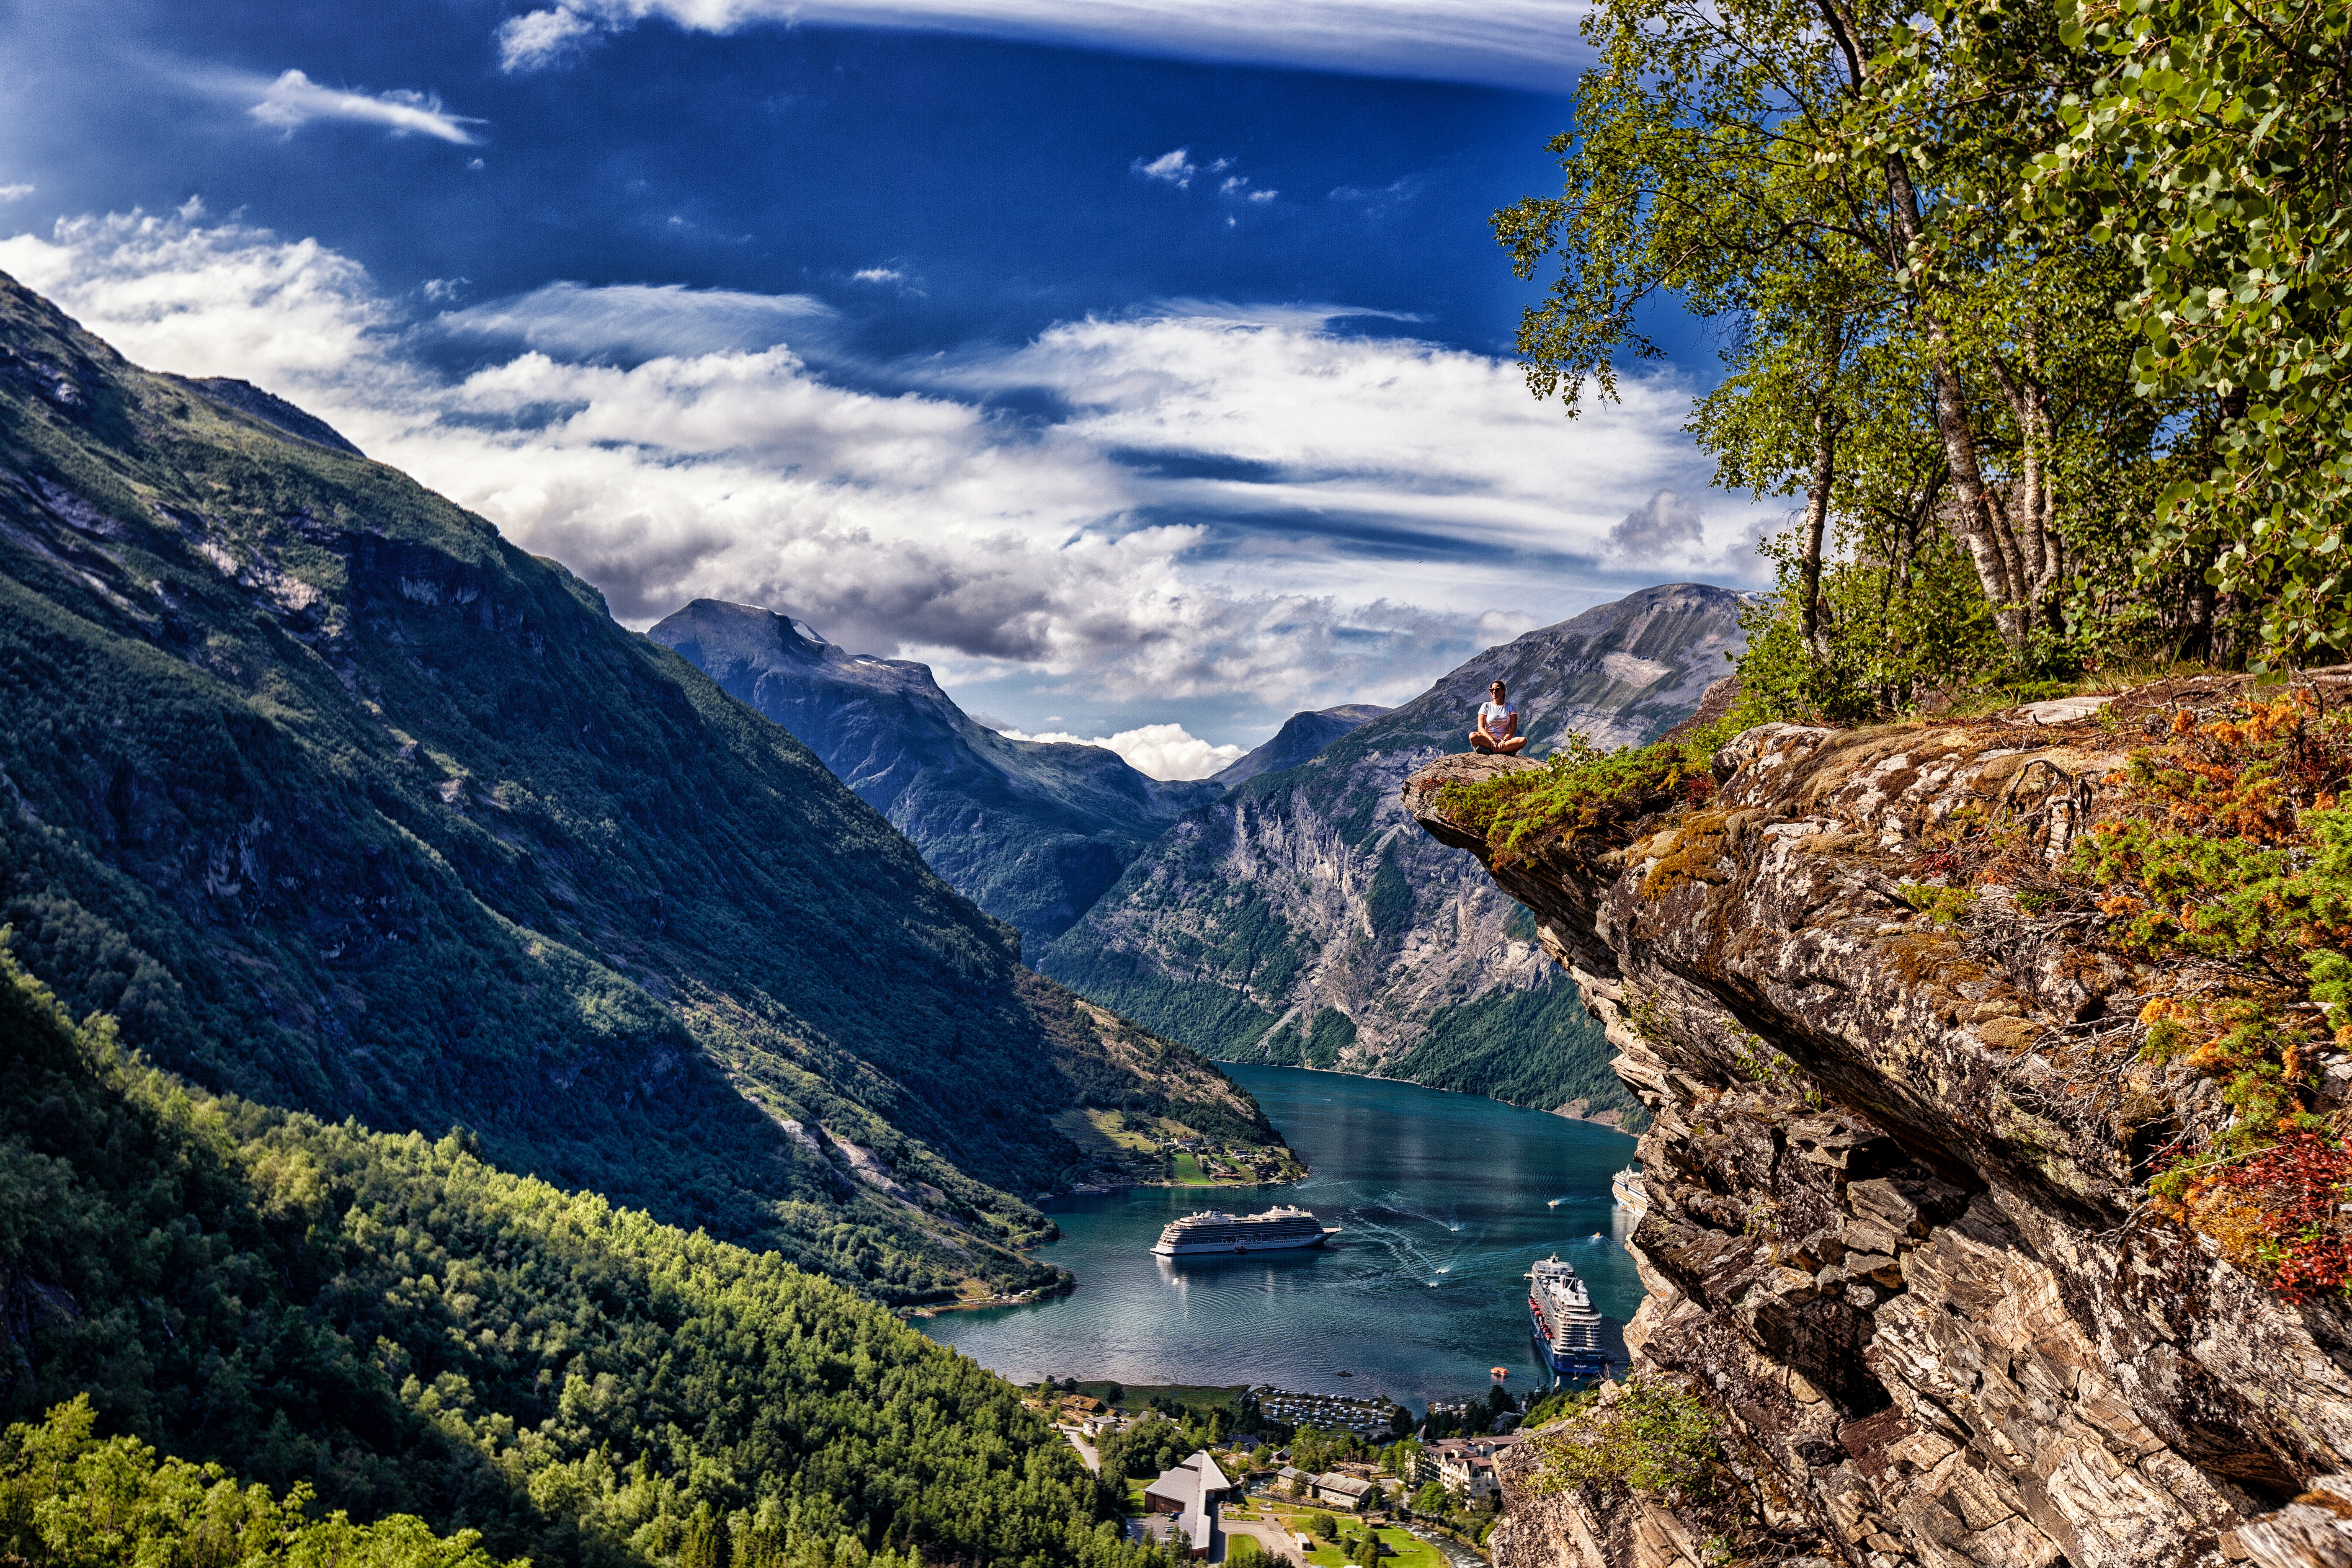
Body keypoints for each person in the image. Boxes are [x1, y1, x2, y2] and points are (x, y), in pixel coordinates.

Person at [1470, 680, 1524, 754]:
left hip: (1504, 742)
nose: (1494, 692)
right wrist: (1491, 740)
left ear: (1503, 691)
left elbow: (1513, 729)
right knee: (1473, 736)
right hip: (1488, 741)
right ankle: (1506, 751)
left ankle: (1491, 751)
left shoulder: (1511, 707)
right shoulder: (1486, 706)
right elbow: (1481, 728)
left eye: (1497, 690)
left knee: (1523, 741)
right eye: (1492, 690)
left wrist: (1504, 740)